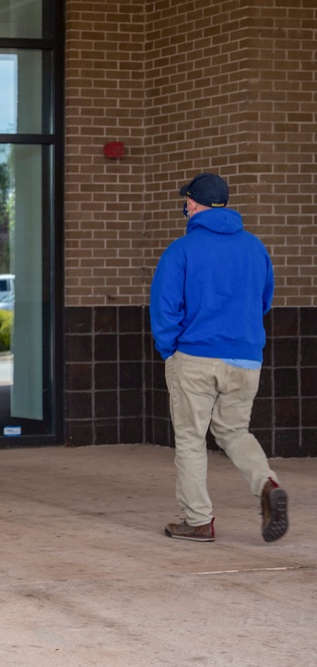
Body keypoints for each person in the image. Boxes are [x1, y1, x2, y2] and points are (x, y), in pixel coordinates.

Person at [150, 172, 288, 543]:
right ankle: (267, 483)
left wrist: (170, 351)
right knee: (234, 431)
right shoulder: (255, 247)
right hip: (245, 358)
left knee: (192, 439)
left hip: (195, 357)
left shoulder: (181, 250)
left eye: (187, 201)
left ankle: (198, 521)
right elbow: (264, 301)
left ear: (192, 204)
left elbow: (165, 309)